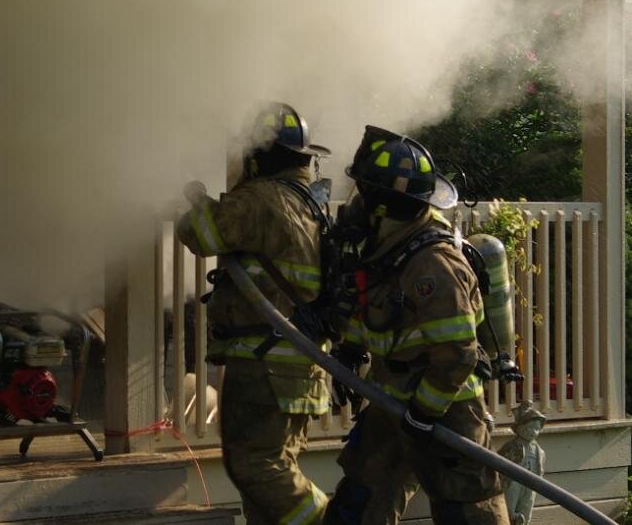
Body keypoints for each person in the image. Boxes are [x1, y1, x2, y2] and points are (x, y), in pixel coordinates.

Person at [324, 127, 510, 525]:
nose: (356, 203)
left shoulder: (433, 264)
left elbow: (456, 355)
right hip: (391, 402)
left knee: (467, 513)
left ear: (381, 204)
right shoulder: (385, 249)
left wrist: (424, 412)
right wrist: (349, 350)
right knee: (357, 506)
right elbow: (377, 315)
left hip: (447, 409)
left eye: (364, 192)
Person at [176, 102, 332, 525]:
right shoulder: (310, 203)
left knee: (256, 467)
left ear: (258, 154)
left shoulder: (261, 198)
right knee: (270, 478)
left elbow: (201, 234)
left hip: (266, 363)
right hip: (301, 364)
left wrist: (196, 203)